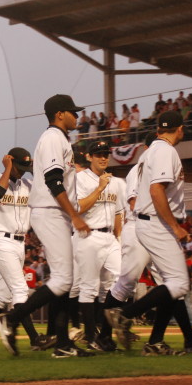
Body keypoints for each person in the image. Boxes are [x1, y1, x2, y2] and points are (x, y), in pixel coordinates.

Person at [105, 111, 192, 355]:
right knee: (175, 284)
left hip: (149, 223)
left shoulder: (151, 153)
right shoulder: (165, 151)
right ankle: (124, 316)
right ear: (180, 129)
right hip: (154, 223)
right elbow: (156, 191)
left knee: (171, 285)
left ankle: (169, 339)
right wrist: (176, 226)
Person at [0, 94, 94, 358]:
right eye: (73, 112)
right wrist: (74, 214)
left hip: (55, 212)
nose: (77, 116)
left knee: (65, 280)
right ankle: (11, 319)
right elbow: (53, 180)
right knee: (63, 279)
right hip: (51, 212)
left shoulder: (60, 139)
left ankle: (62, 343)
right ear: (59, 114)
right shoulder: (52, 138)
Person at [0, 148, 55, 352]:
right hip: (1, 240)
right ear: (9, 162)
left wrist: (33, 167)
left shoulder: (28, 184)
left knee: (3, 296)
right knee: (20, 289)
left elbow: (46, 189)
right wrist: (8, 168)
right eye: (20, 167)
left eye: (25, 168)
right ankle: (34, 338)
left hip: (20, 242)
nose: (22, 172)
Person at [73, 140, 123, 351]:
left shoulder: (117, 182)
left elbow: (119, 212)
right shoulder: (80, 179)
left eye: (106, 153)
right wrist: (100, 188)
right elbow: (79, 207)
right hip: (88, 235)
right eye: (99, 154)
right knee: (89, 289)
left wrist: (118, 239)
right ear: (89, 157)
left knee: (120, 281)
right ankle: (93, 338)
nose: (103, 157)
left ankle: (105, 334)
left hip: (110, 236)